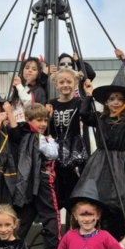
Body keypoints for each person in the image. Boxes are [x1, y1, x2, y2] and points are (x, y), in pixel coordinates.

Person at [72, 69, 125, 240]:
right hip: (98, 163)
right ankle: (91, 233)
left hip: (119, 163)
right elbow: (83, 114)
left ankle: (117, 237)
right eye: (112, 99)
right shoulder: (99, 118)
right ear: (106, 101)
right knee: (92, 196)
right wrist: (88, 96)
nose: (116, 102)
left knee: (118, 200)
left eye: (120, 99)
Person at [14, 103, 61, 249]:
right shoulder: (38, 138)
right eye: (39, 120)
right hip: (43, 179)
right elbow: (53, 154)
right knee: (51, 213)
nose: (43, 124)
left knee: (24, 217)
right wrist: (51, 141)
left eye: (45, 120)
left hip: (28, 182)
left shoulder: (24, 136)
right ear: (28, 120)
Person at [46, 69, 89, 217]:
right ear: (56, 85)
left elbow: (88, 115)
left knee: (74, 186)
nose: (65, 85)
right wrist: (48, 117)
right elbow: (45, 128)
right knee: (57, 188)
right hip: (56, 148)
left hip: (74, 148)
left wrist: (88, 94)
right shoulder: (51, 104)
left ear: (75, 84)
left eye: (69, 81)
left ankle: (75, 219)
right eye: (62, 82)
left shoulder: (79, 102)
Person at [9, 57, 47, 123]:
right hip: (15, 124)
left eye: (34, 69)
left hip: (28, 125)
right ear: (22, 70)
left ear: (38, 73)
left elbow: (30, 106)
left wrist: (19, 86)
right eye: (27, 68)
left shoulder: (39, 90)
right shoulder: (18, 87)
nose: (30, 70)